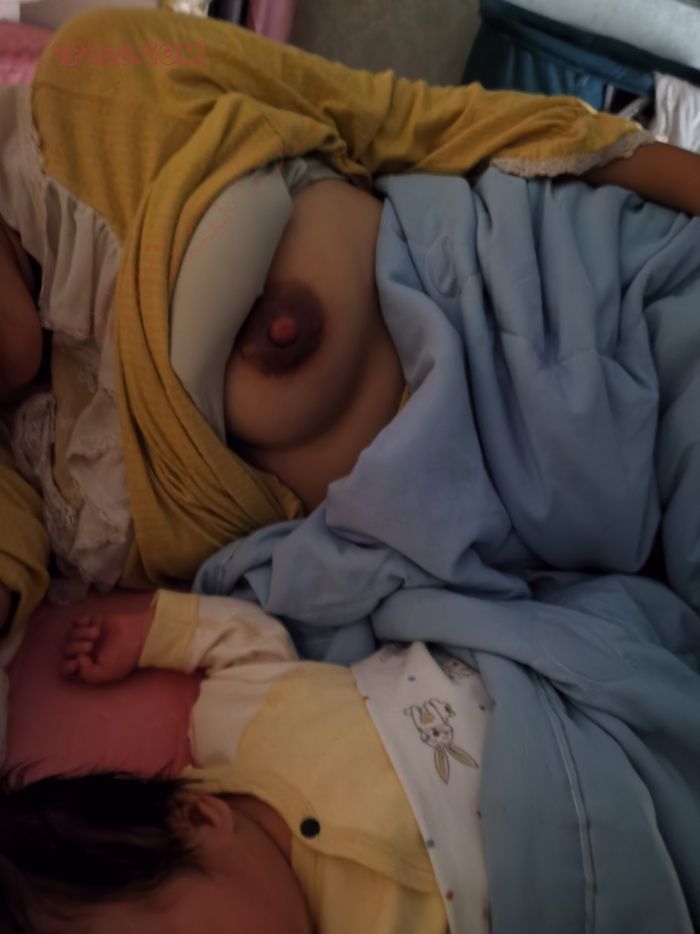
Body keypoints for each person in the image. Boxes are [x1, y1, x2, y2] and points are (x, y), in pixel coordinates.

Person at [1, 2, 697, 655]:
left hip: (587, 320)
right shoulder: (19, 470)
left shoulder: (104, 73)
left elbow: (412, 119)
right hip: (523, 571)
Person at [0, 589, 494, 933]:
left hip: (497, 704)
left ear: (199, 817)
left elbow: (244, 641)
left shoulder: (237, 728)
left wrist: (151, 632)